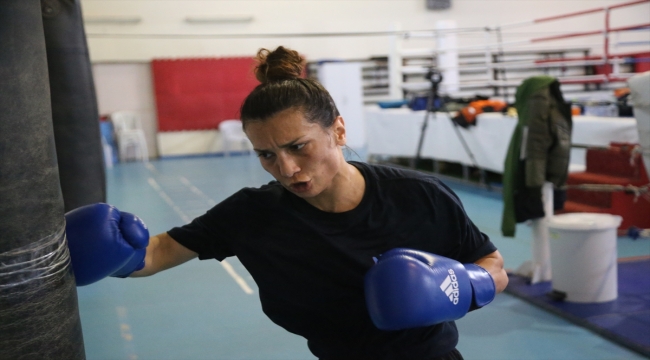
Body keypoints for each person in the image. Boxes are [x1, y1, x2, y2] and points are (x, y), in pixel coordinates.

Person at [65, 46, 508, 360]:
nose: (287, 169)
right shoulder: (253, 213)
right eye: (267, 154)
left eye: (299, 146)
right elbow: (159, 251)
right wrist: (114, 252)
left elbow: (492, 263)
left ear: (338, 131)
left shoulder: (418, 196)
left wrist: (464, 285)